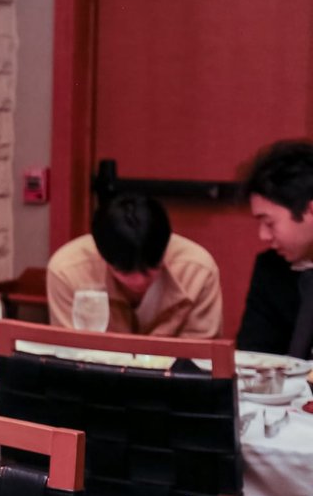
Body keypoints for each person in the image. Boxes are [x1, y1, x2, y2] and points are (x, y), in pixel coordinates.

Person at [46, 193, 222, 336]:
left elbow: (200, 356)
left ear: (166, 248)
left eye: (151, 268)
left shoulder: (197, 269)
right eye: (124, 271)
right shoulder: (67, 270)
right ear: (101, 255)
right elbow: (72, 353)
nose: (139, 281)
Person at [237, 139, 313, 357]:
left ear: (310, 211)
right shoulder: (271, 268)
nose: (263, 235)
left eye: (269, 223)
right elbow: (254, 356)